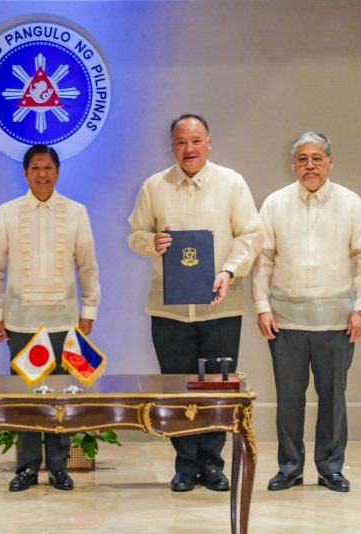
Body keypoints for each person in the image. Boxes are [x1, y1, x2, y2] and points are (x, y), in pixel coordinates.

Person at [127, 114, 260, 492]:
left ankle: (213, 464)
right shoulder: (154, 186)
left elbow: (250, 235)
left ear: (209, 142)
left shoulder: (232, 183)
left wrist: (229, 271)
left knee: (218, 386)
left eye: (196, 141)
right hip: (169, 309)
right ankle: (185, 464)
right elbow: (135, 233)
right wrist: (150, 242)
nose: (190, 149)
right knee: (176, 386)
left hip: (220, 305)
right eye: (182, 142)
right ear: (172, 146)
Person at [253, 132, 361, 493]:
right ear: (293, 165)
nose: (310, 165)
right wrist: (262, 307)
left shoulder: (351, 204)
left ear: (330, 162)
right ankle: (289, 468)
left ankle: (330, 468)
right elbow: (262, 260)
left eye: (317, 158)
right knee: (289, 399)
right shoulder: (275, 204)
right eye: (303, 159)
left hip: (338, 321)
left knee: (333, 398)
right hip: (285, 322)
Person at [0, 144, 100, 492]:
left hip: (64, 322)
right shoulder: (7, 212)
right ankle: (27, 468)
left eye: (48, 167)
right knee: (28, 398)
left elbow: (88, 265)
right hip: (21, 322)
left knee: (58, 399)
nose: (42, 174)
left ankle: (60, 467)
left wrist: (88, 310)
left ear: (58, 172)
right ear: (25, 173)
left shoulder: (76, 212)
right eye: (35, 168)